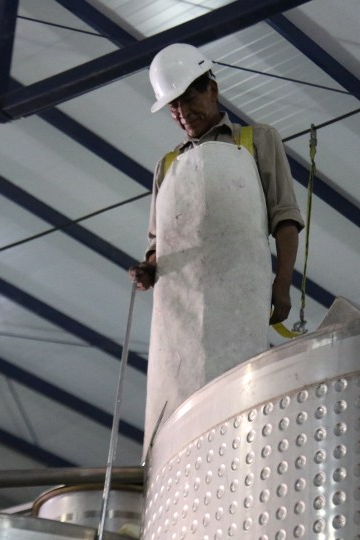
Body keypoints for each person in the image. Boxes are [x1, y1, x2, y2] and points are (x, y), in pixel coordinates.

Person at [130, 43, 304, 451]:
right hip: (179, 315)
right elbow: (159, 244)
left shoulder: (257, 140)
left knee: (234, 402)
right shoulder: (167, 167)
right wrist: (148, 269)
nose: (182, 113)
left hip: (238, 299)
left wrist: (281, 285)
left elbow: (286, 218)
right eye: (172, 107)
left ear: (212, 89)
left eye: (189, 98)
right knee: (177, 416)